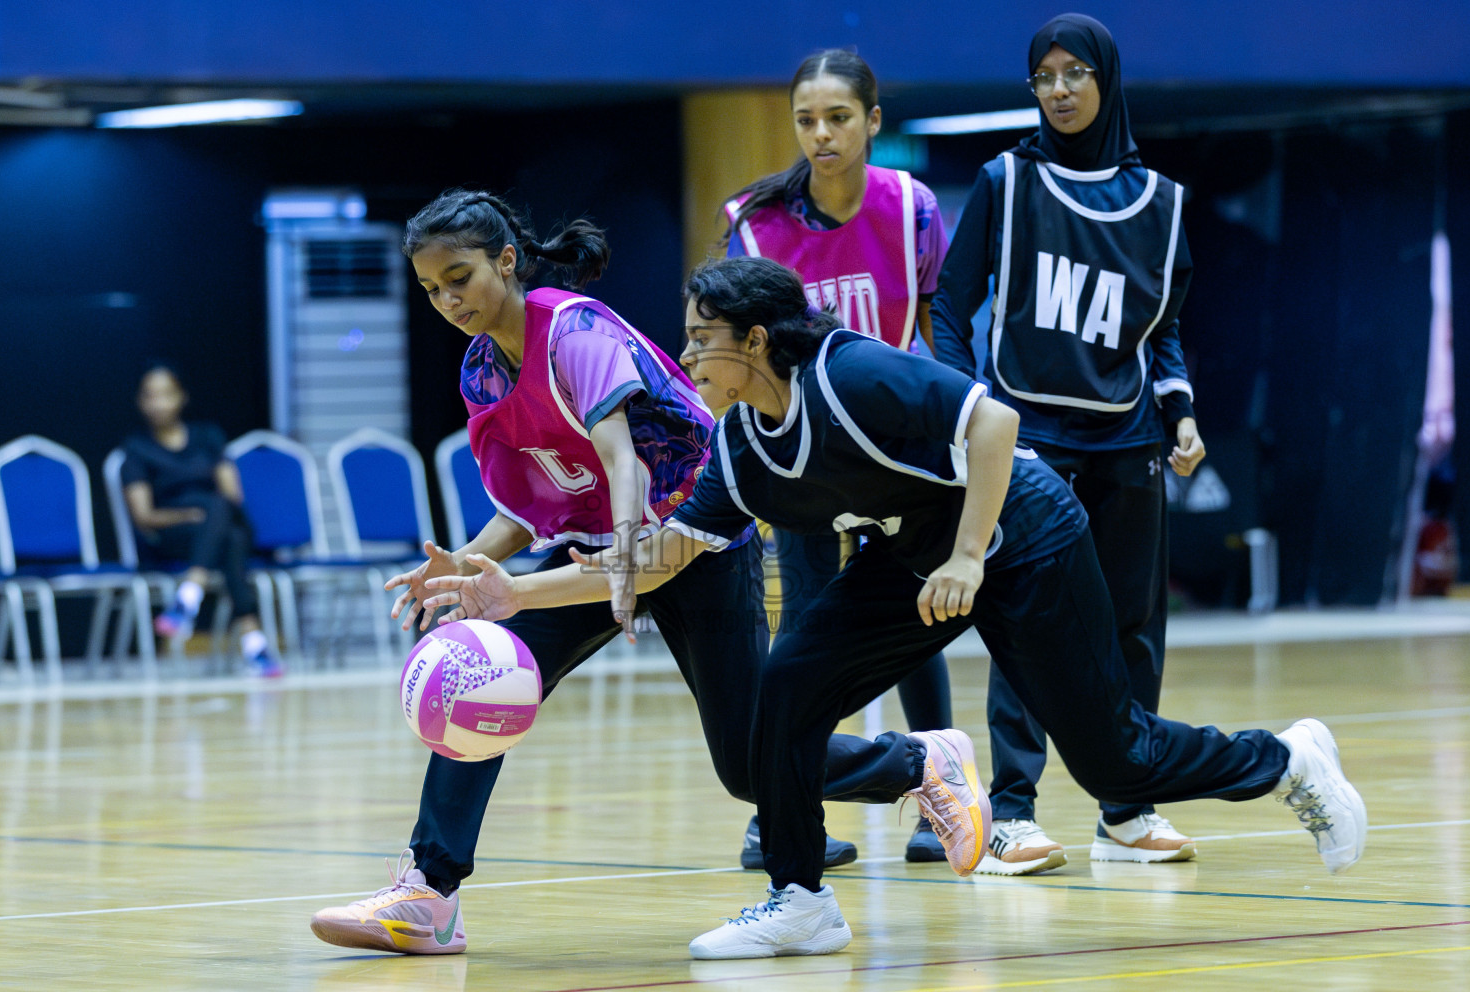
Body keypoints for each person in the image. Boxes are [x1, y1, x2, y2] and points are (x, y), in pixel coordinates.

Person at [420, 256, 1365, 960]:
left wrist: (966, 554)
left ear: (754, 342)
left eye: (701, 336)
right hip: (913, 554)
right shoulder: (743, 448)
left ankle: (1284, 760)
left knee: (1115, 752)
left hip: (1024, 535)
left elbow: (994, 423)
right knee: (785, 690)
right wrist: (519, 591)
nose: (685, 353)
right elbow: (662, 557)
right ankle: (801, 900)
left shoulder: (855, 374)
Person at [309, 190, 980, 957]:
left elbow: (618, 455)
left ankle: (921, 761)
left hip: (695, 541)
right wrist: (469, 564)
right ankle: (430, 893)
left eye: (459, 277)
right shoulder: (482, 375)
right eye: (432, 288)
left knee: (747, 764)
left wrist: (628, 553)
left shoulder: (574, 328)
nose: (448, 299)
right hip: (594, 554)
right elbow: (532, 509)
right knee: (476, 672)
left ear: (505, 261)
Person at [930, 13, 1207, 874]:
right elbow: (949, 305)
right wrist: (970, 411)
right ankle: (1011, 812)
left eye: (1073, 72)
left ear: (1105, 79)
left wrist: (1184, 410)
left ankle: (1127, 808)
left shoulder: (1159, 203)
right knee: (1029, 626)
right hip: (1030, 440)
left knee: (1133, 631)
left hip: (1128, 439)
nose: (1058, 89)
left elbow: (1159, 332)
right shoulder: (1006, 183)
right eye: (1043, 75)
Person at [723, 48, 955, 864]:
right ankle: (782, 815)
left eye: (838, 118)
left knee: (918, 626)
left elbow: (938, 328)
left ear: (873, 122)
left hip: (893, 451)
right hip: (804, 458)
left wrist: (960, 419)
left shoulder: (913, 209)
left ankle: (943, 803)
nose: (820, 135)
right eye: (806, 120)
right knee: (811, 637)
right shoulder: (754, 223)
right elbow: (732, 350)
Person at [120, 365, 281, 677]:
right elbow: (144, 516)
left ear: (181, 397)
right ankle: (254, 642)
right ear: (141, 402)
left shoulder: (208, 436)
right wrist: (187, 515)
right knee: (230, 539)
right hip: (175, 533)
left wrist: (208, 514)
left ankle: (189, 593)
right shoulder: (136, 450)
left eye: (166, 395)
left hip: (217, 519)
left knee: (221, 511)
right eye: (151, 396)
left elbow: (232, 494)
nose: (158, 404)